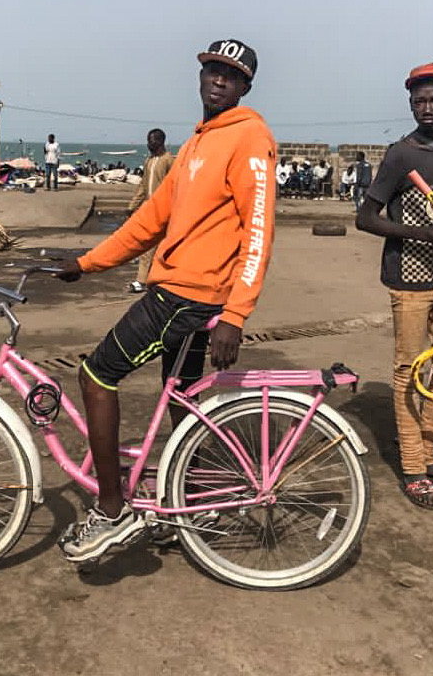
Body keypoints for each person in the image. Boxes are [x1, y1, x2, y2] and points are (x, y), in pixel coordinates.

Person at [54, 38, 276, 561]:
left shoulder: (249, 137)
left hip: (188, 297)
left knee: (95, 376)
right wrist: (87, 263)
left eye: (231, 75)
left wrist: (236, 315)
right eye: (212, 71)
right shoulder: (198, 143)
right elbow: (151, 219)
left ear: (245, 87)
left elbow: (259, 231)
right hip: (177, 288)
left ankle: (111, 512)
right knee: (181, 397)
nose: (219, 80)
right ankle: (198, 498)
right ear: (200, 77)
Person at [356, 61, 433, 509]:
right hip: (410, 279)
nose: (427, 108)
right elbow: (365, 217)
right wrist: (427, 233)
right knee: (410, 369)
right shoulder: (400, 155)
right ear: (410, 104)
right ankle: (413, 466)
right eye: (419, 101)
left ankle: (431, 454)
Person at [126, 129, 175, 293]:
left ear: (160, 142)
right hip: (149, 208)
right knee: (147, 246)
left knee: (162, 247)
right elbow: (143, 184)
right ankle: (142, 280)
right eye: (148, 141)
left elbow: (176, 185)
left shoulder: (169, 161)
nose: (149, 144)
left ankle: (158, 279)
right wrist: (133, 205)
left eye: (152, 141)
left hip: (166, 209)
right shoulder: (149, 161)